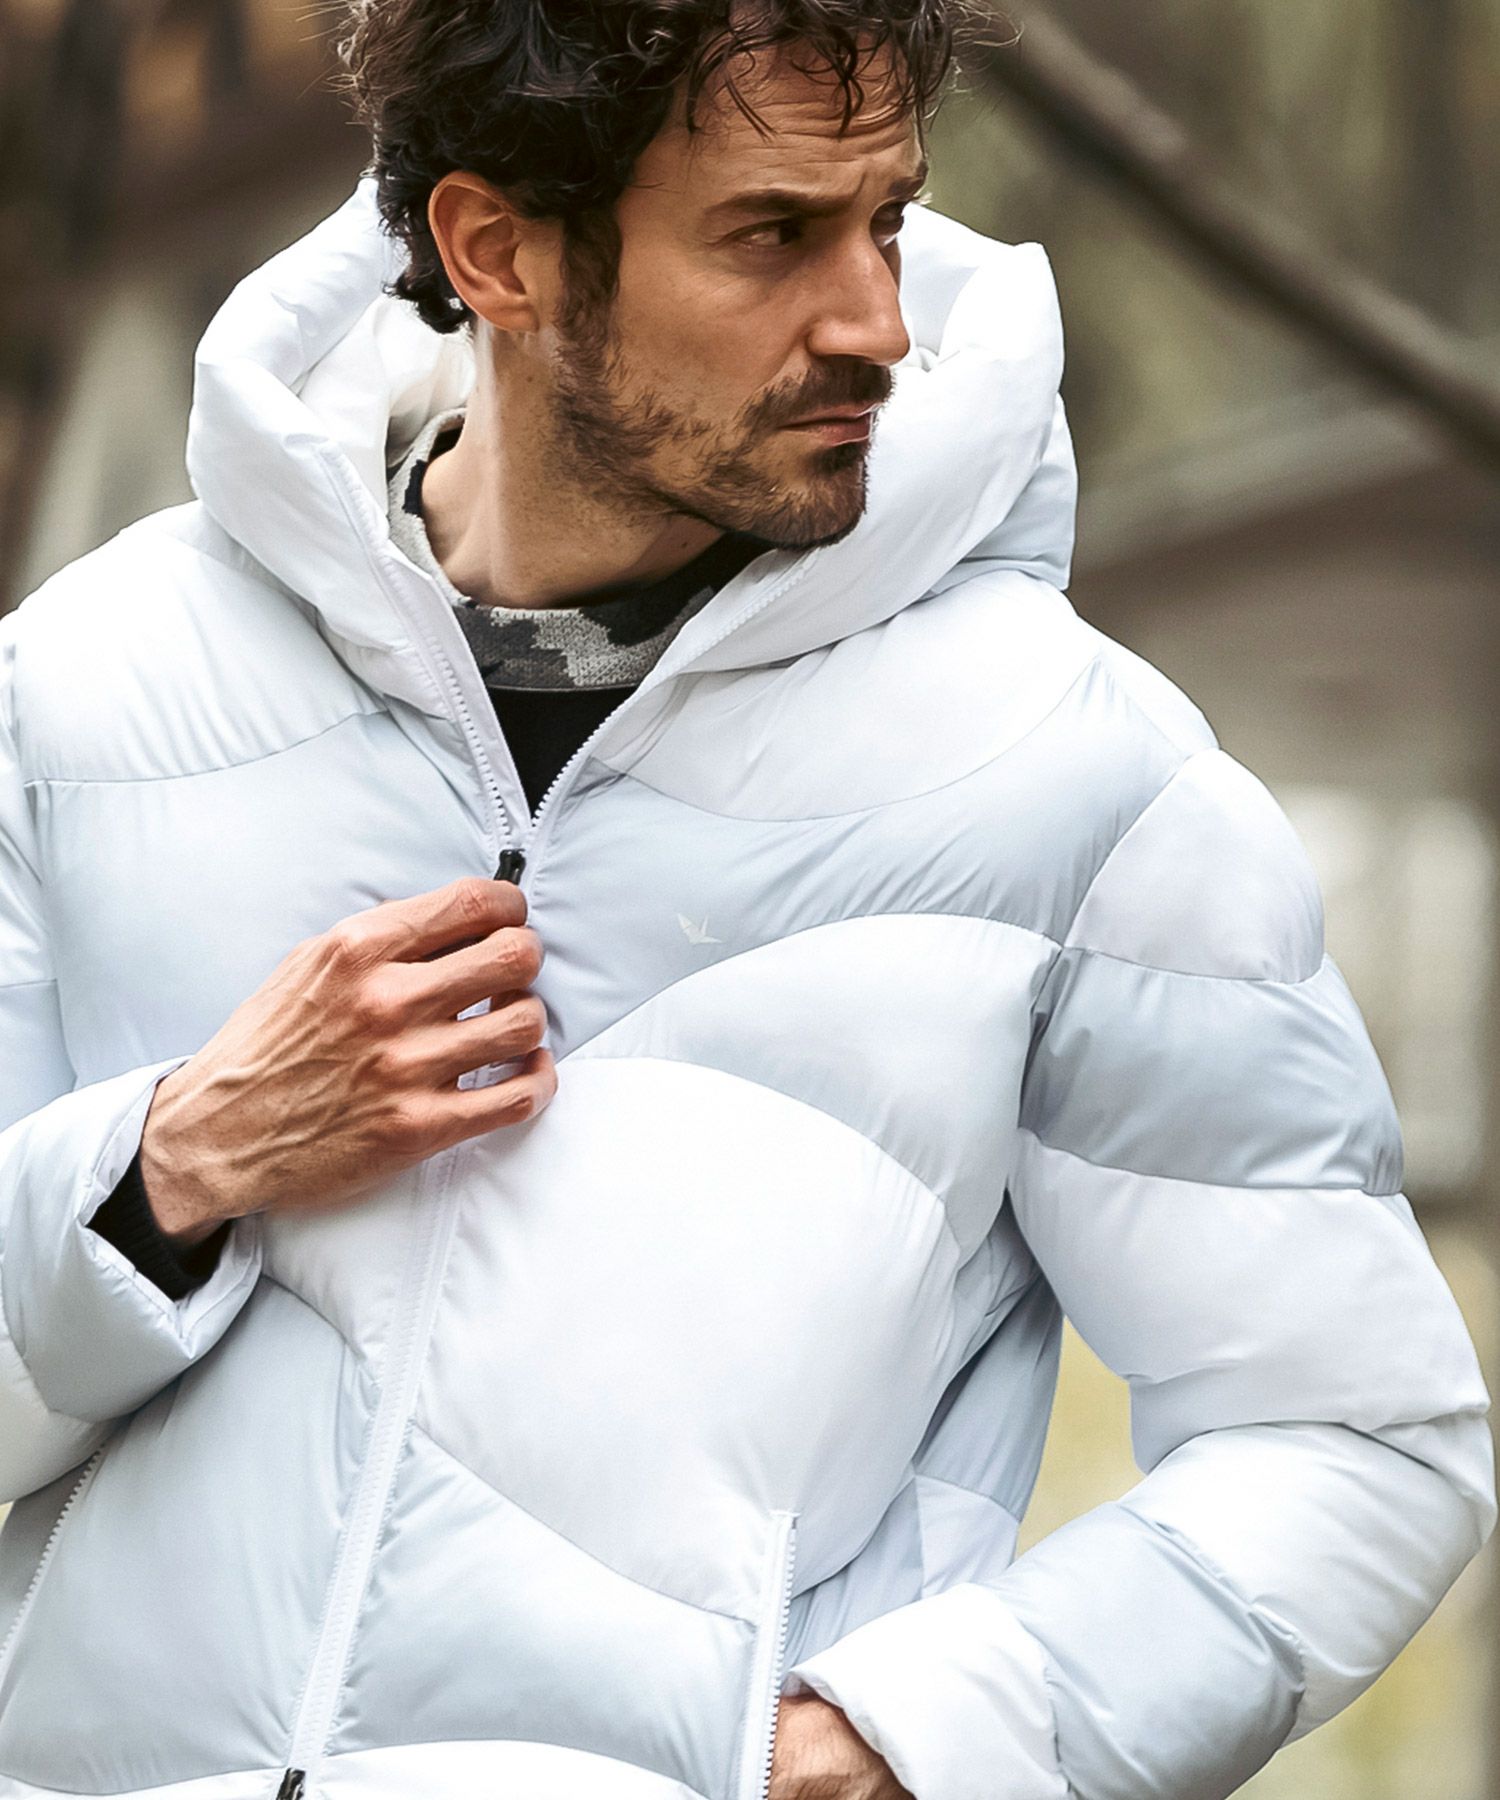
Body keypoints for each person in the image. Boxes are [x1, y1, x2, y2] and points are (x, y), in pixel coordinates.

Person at [0, 2, 1492, 1796]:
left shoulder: (1078, 777)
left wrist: (912, 1739)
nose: (873, 322)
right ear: (499, 254)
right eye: (773, 235)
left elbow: (1352, 1436)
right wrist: (166, 1168)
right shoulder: (86, 692)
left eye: (886, 221)